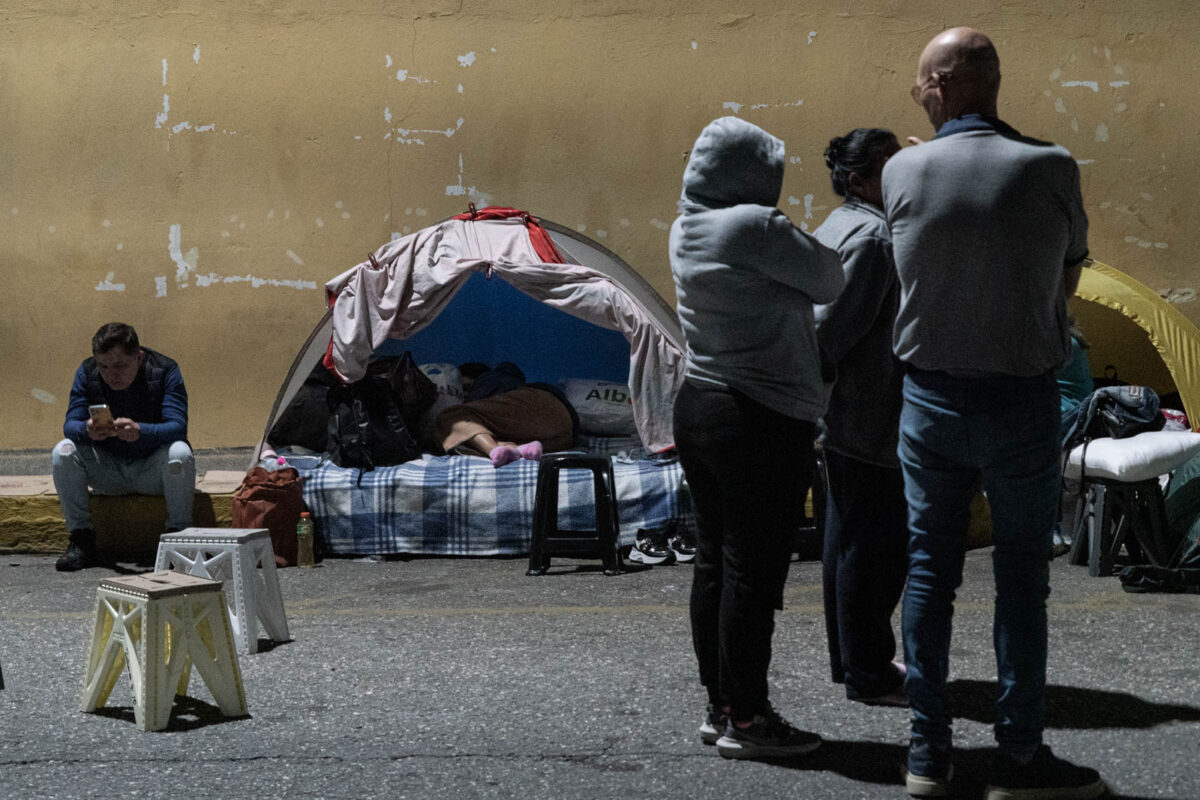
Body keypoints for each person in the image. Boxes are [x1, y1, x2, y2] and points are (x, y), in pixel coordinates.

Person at [884, 28, 1105, 798]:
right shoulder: (1050, 167)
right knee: (1020, 576)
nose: (918, 95)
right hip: (1021, 398)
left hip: (929, 398)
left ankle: (926, 752)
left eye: (920, 86)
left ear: (942, 87)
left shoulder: (902, 168)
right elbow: (1068, 279)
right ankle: (1020, 756)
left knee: (929, 569)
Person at [670, 116, 844, 759]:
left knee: (715, 561)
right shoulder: (751, 226)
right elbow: (831, 279)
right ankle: (748, 719)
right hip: (759, 416)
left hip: (702, 404)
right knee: (752, 571)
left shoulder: (686, 224)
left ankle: (722, 706)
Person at [812, 128, 909, 708]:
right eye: (889, 168)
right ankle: (869, 670)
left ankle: (852, 660)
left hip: (844, 412)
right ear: (859, 180)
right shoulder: (873, 239)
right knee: (876, 548)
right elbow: (832, 333)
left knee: (846, 539)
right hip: (871, 411)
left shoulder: (836, 225)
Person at [52, 322, 194, 571]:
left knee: (180, 453)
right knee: (63, 451)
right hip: (108, 469)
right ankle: (82, 540)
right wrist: (87, 429)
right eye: (104, 366)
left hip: (152, 470)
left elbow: (177, 427)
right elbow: (70, 425)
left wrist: (142, 431)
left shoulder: (165, 370)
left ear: (138, 357)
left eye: (120, 365)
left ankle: (178, 539)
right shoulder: (87, 372)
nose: (111, 374)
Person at [435, 362, 578, 466]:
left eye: (466, 387)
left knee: (452, 416)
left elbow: (469, 412)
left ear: (475, 379)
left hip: (537, 402)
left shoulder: (491, 378)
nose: (465, 393)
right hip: (566, 431)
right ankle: (513, 448)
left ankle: (494, 450)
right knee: (470, 441)